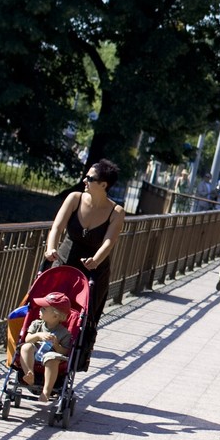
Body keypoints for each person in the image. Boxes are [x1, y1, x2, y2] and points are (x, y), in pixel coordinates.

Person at [44, 159, 124, 371]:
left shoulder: (116, 212)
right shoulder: (75, 198)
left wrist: (95, 260)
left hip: (93, 271)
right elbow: (57, 227)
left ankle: (70, 364)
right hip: (64, 264)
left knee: (83, 320)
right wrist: (51, 248)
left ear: (104, 184)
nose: (84, 180)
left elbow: (109, 241)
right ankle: (41, 358)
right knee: (50, 308)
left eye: (90, 178)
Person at [18, 292, 75, 403]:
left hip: (51, 355)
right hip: (35, 352)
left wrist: (56, 345)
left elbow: (65, 351)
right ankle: (29, 374)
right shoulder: (36, 324)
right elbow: (27, 338)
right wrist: (38, 335)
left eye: (43, 309)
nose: (40, 310)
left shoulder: (64, 333)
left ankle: (46, 392)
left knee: (51, 358)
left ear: (55, 315)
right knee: (25, 347)